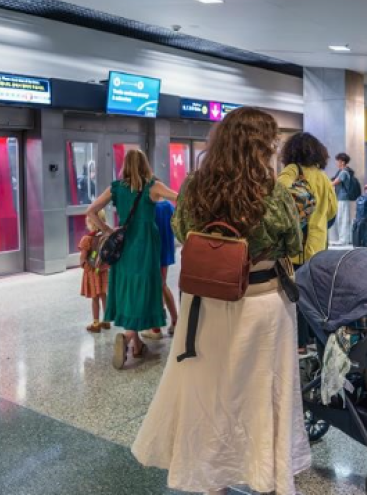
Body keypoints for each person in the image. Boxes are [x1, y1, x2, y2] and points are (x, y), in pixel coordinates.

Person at [131, 107, 311, 495]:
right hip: (263, 305)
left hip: (205, 305)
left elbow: (182, 231)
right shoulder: (273, 191)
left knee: (210, 395)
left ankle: (212, 480)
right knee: (264, 394)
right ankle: (266, 475)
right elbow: (293, 245)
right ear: (260, 145)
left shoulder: (196, 186)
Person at [85, 149, 178, 369]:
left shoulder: (116, 188)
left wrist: (107, 230)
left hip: (123, 245)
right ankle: (128, 338)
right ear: (145, 164)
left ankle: (137, 346)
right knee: (143, 289)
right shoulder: (153, 186)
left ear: (125, 164)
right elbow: (179, 197)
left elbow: (91, 211)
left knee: (128, 288)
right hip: (145, 246)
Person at [277, 132, 337, 354]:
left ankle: (299, 343)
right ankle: (313, 338)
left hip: (296, 246)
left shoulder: (293, 171)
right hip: (318, 244)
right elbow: (332, 211)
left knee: (295, 294)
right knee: (313, 293)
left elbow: (278, 194)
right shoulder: (323, 177)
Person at [141, 200, 179, 340]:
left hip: (152, 252)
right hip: (166, 250)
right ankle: (174, 321)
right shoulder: (168, 205)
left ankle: (156, 328)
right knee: (161, 285)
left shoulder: (147, 206)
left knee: (156, 287)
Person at [78, 210, 110, 333]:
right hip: (103, 270)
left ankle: (96, 323)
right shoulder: (106, 236)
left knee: (95, 298)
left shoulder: (87, 239)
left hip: (92, 273)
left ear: (90, 222)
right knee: (103, 295)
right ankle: (106, 320)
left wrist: (83, 265)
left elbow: (83, 258)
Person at [330, 152, 353, 245]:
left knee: (343, 219)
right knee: (341, 218)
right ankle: (344, 239)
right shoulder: (343, 171)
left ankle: (343, 240)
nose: (337, 163)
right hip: (341, 198)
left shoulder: (344, 172)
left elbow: (334, 183)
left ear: (342, 162)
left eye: (338, 161)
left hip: (343, 198)